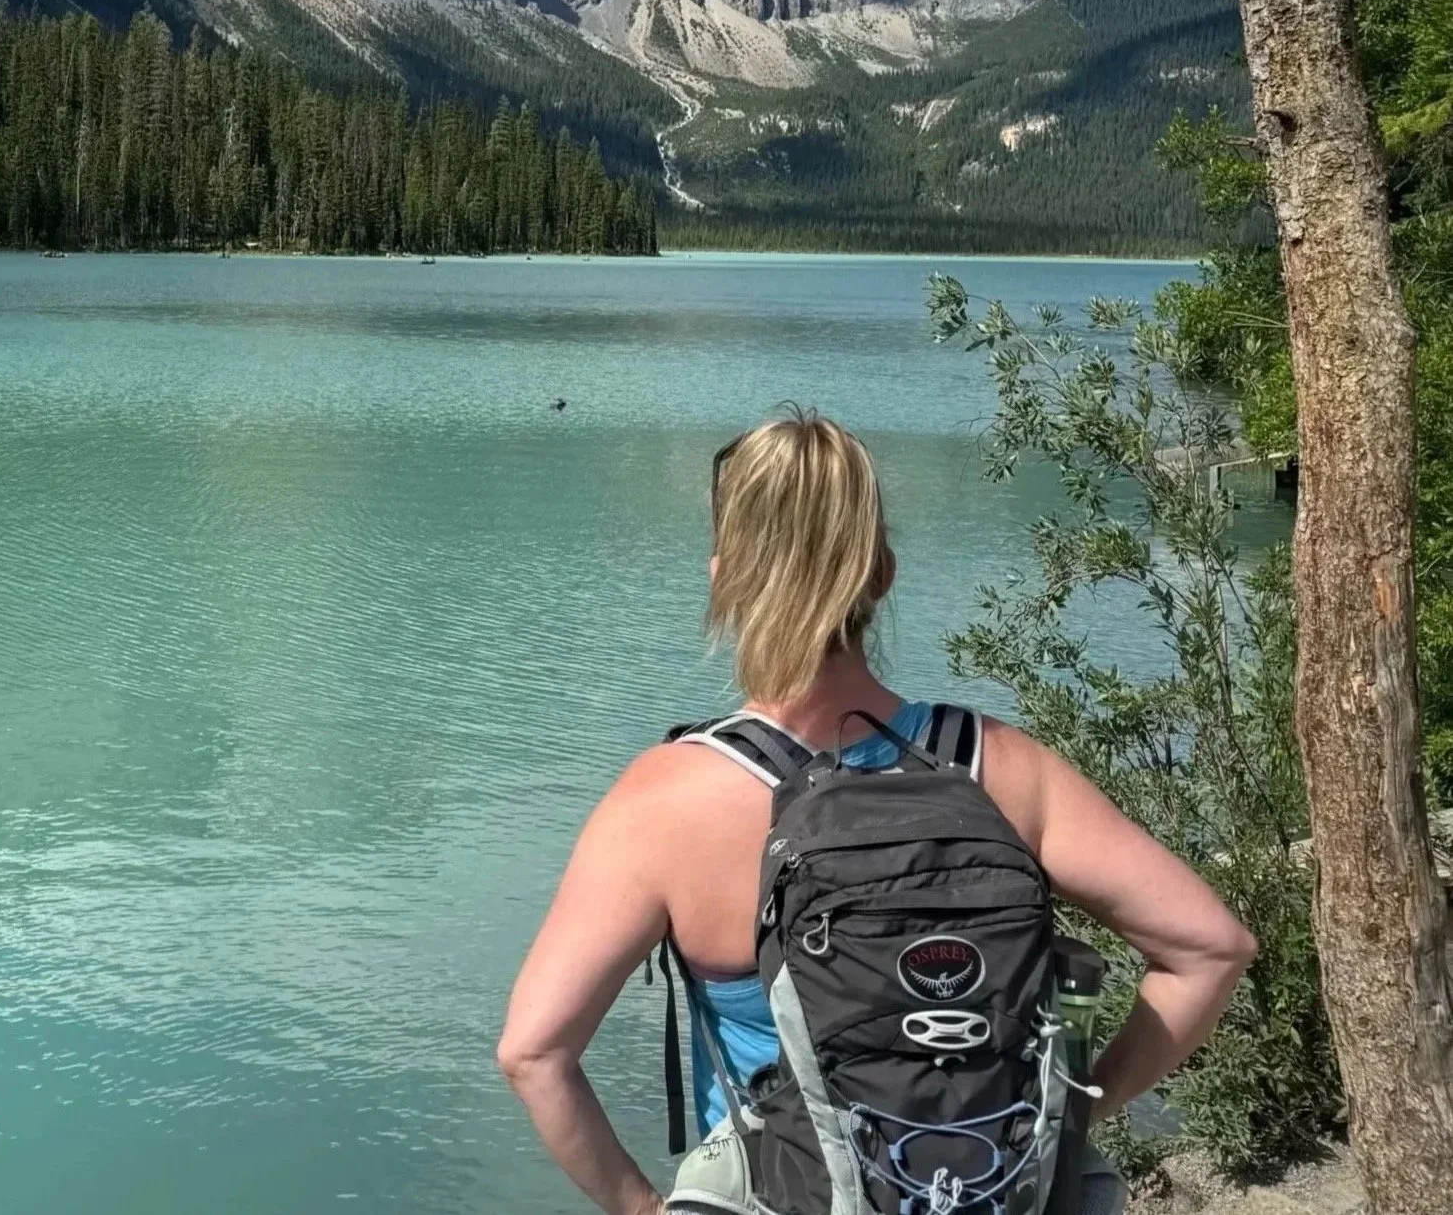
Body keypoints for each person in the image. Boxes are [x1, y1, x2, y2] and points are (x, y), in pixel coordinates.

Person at [498, 410, 1258, 1215]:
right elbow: (1211, 949)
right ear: (883, 574)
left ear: (723, 578)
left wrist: (643, 1208)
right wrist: (1068, 1119)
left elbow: (534, 1054)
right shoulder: (999, 766)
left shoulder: (666, 801)